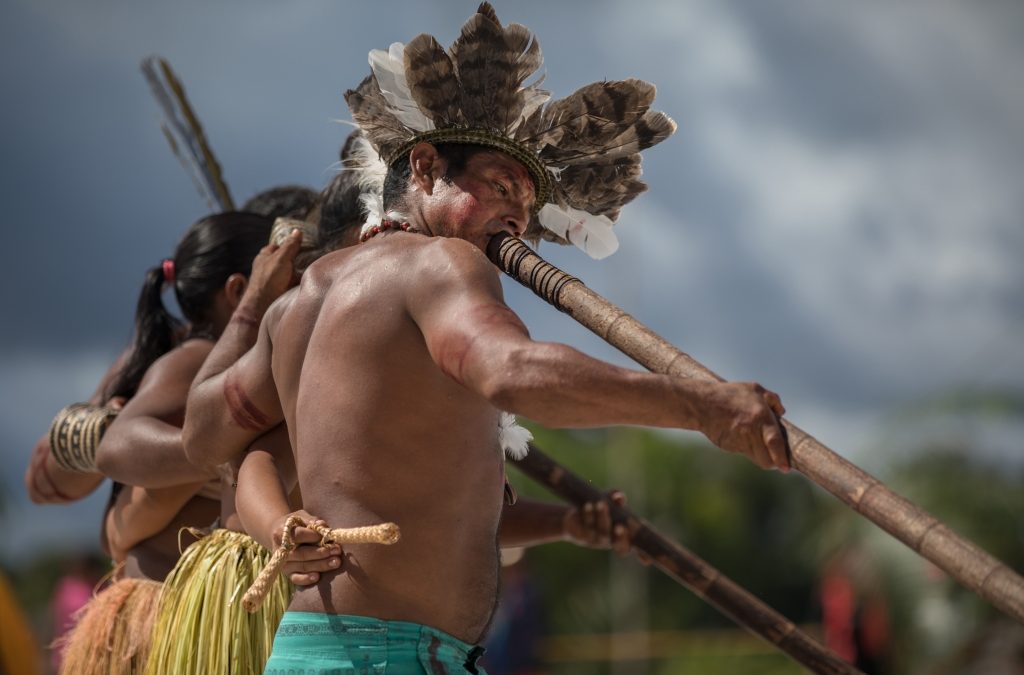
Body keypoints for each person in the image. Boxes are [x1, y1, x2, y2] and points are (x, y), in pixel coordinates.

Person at [185, 7, 789, 671]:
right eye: (502, 188)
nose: (515, 221)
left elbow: (218, 443)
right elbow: (509, 370)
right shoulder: (438, 263)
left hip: (320, 652)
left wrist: (561, 523)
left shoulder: (299, 307)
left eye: (527, 215)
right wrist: (703, 406)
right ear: (423, 166)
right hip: (387, 657)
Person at [59, 211, 274, 675]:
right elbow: (115, 447)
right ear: (239, 291)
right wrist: (217, 456)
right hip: (158, 617)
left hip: (178, 610)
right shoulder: (196, 359)